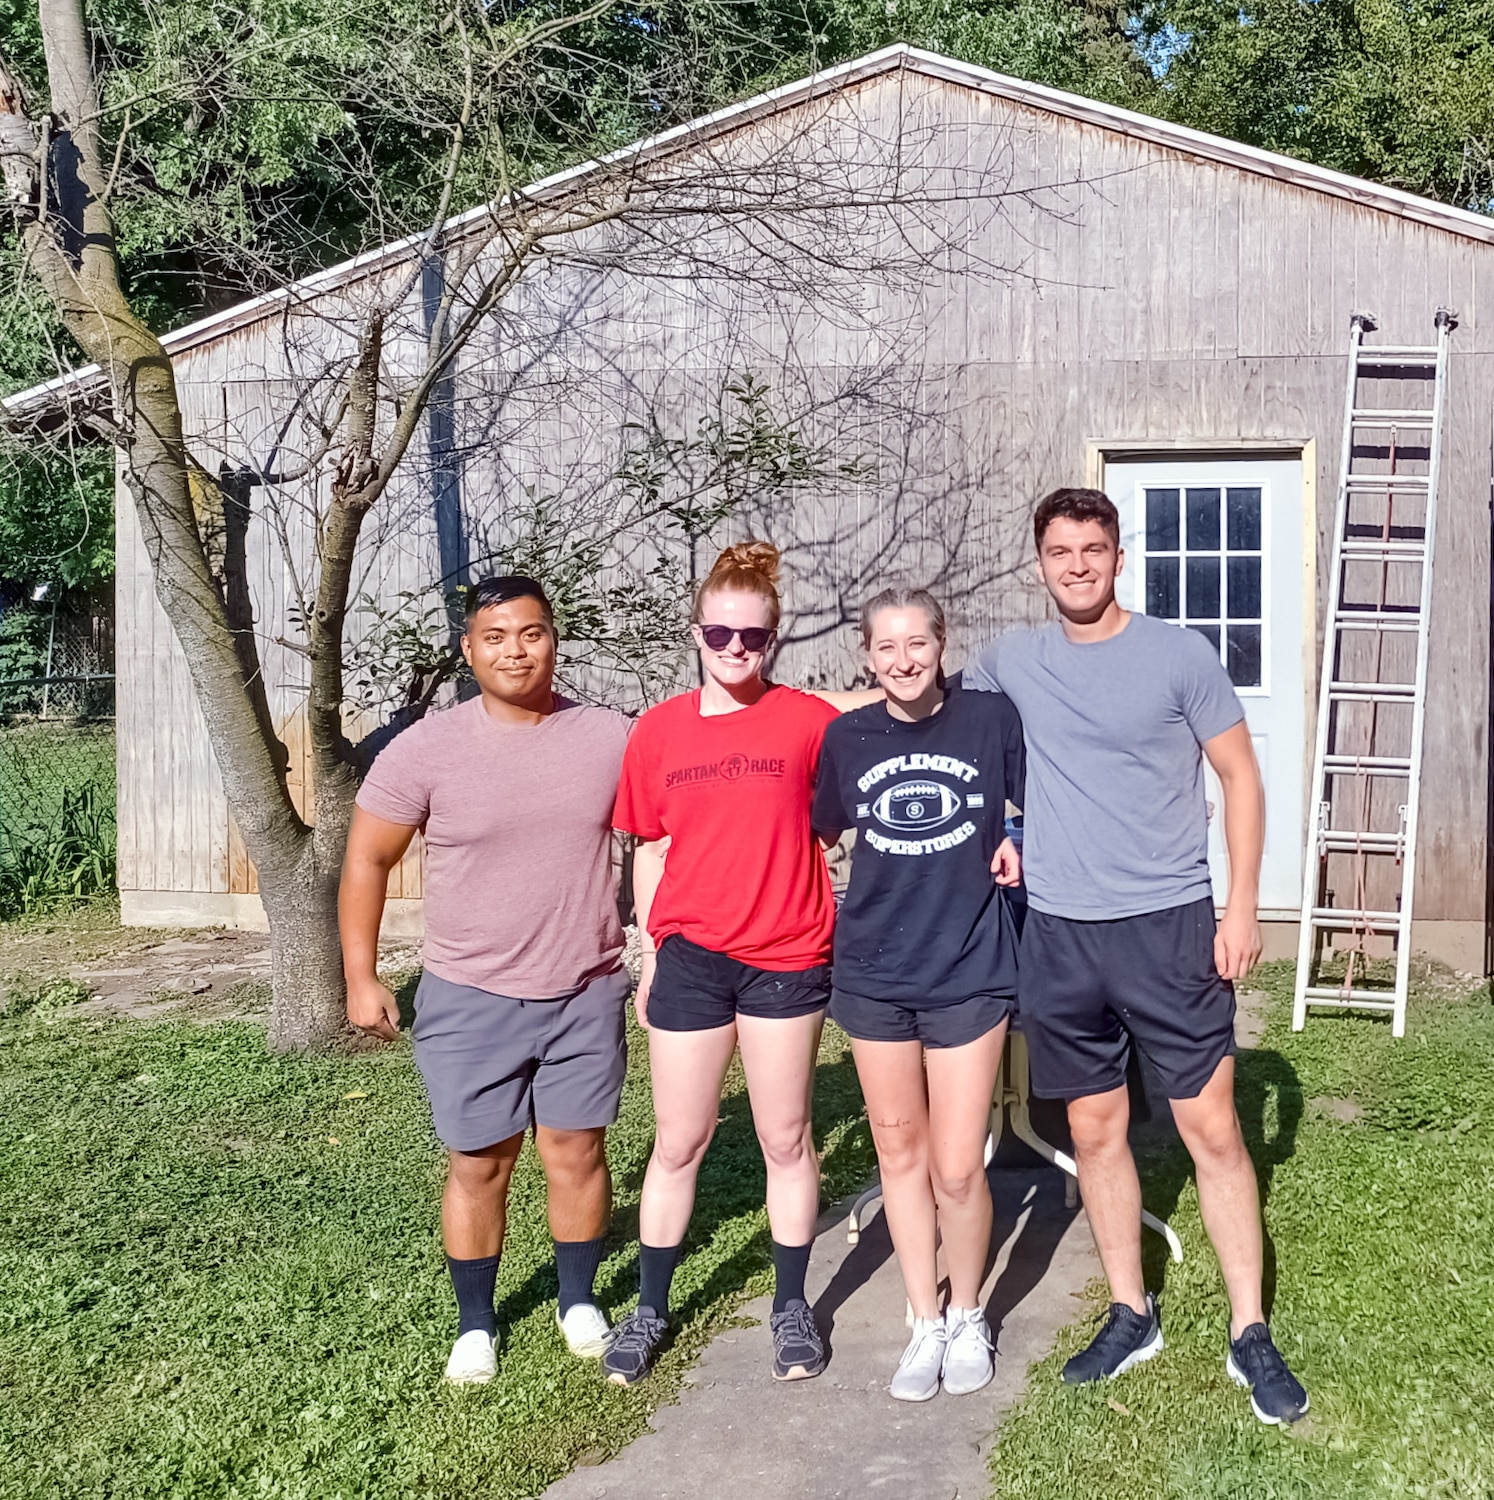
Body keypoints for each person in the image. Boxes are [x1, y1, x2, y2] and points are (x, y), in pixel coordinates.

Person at [963, 487, 1310, 1425]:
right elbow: (943, 724)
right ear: (1039, 561)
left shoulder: (1176, 654)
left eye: (1093, 548)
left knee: (1213, 1130)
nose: (1076, 565)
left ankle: (1248, 1330)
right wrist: (1005, 823)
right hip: (1061, 934)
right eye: (1059, 550)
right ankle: (1132, 1311)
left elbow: (1239, 776)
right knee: (1097, 1133)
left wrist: (1239, 907)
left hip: (1168, 925)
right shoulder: (1011, 661)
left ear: (1120, 557)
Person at [340, 575, 634, 1386]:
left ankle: (578, 1298)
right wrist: (361, 977)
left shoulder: (609, 736)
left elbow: (673, 827)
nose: (515, 650)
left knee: (576, 1151)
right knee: (480, 1162)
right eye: (496, 637)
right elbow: (367, 858)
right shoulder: (428, 747)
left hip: (584, 987)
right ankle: (476, 1323)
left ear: (553, 640)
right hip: (469, 995)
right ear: (469, 651)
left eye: (531, 633)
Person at [600, 541, 841, 1386]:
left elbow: (882, 727)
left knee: (784, 1137)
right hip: (692, 958)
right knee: (679, 1141)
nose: (736, 650)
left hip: (787, 955)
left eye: (754, 638)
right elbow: (650, 848)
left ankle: (789, 1307)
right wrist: (649, 953)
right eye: (720, 634)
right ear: (696, 633)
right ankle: (650, 1310)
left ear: (774, 640)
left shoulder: (810, 722)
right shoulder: (658, 730)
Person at [811, 587, 1025, 1402]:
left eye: (918, 644)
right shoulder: (846, 738)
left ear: (943, 644)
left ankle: (968, 1313)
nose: (903, 660)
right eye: (886, 647)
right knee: (898, 1155)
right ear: (868, 656)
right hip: (873, 974)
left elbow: (1037, 807)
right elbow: (817, 833)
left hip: (969, 967)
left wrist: (1015, 841)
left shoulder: (988, 722)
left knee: (958, 1166)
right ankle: (922, 1319)